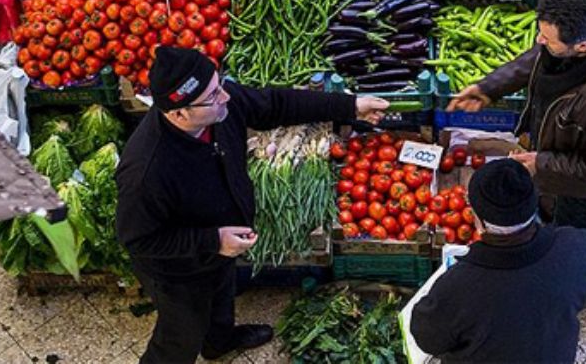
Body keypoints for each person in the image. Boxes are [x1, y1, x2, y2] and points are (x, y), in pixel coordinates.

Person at [115, 46, 389, 363]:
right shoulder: (146, 171)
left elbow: (275, 104)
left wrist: (350, 106)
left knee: (222, 296)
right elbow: (138, 239)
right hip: (179, 270)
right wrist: (213, 240)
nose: (226, 97)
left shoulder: (218, 107)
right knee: (180, 335)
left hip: (221, 246)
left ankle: (220, 341)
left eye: (220, 85)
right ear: (180, 114)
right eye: (213, 96)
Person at [448, 0, 586, 234]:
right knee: (549, 210)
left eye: (548, 39)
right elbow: (541, 54)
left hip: (583, 190)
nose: (538, 40)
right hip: (559, 153)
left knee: (572, 237)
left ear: (582, 47)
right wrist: (490, 87)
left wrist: (541, 164)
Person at [410, 158, 586, 362]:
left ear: (479, 220)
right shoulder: (579, 247)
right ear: (533, 204)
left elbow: (427, 339)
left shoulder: (457, 287)